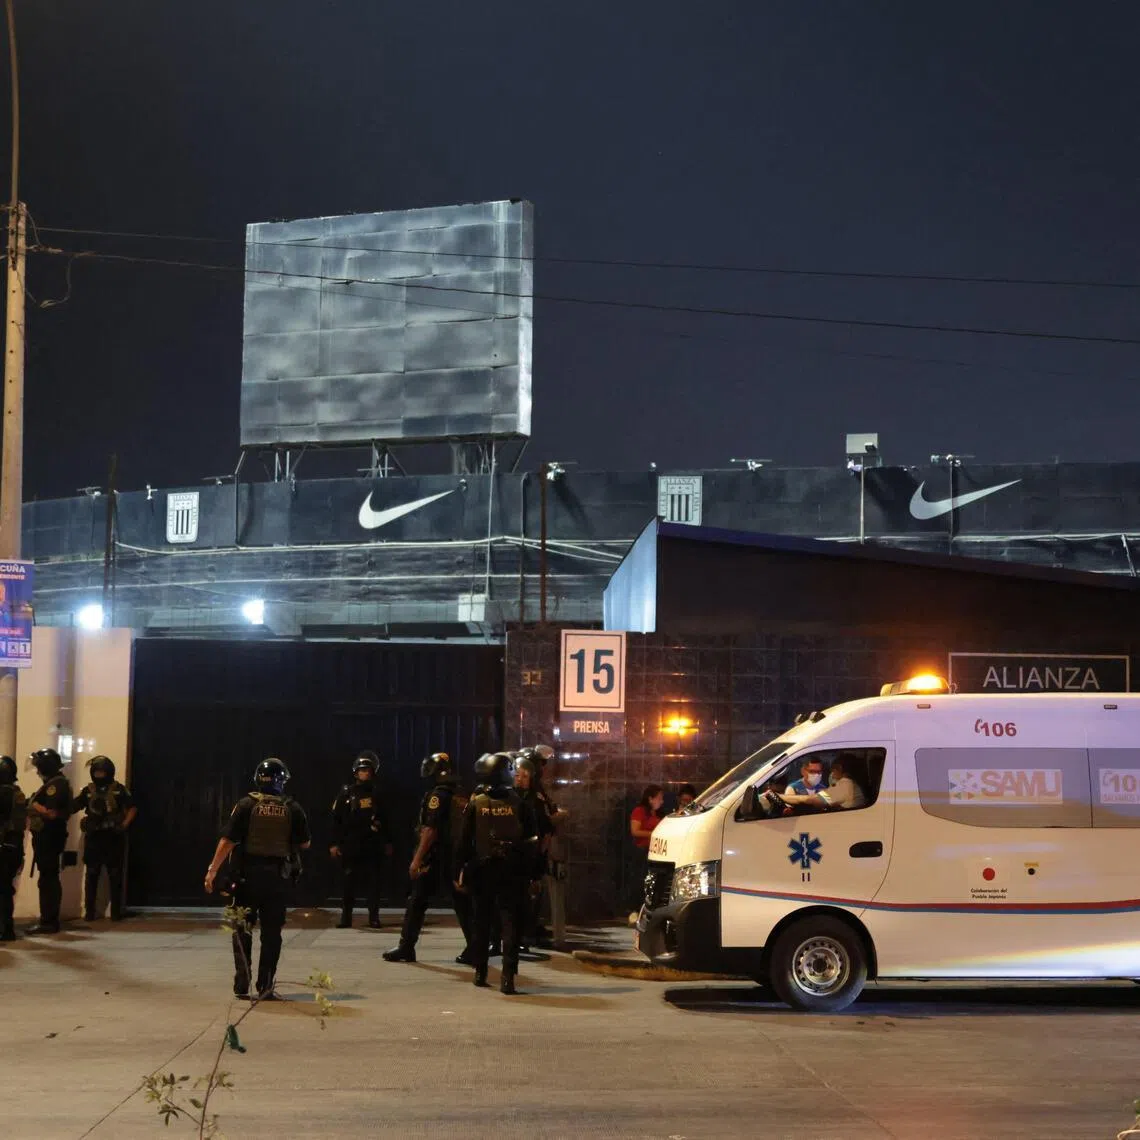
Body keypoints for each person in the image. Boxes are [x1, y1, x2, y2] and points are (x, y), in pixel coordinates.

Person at [204, 758, 310, 1000]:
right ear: (281, 781)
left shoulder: (245, 805)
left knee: (242, 928)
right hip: (277, 880)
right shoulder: (293, 808)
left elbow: (228, 841)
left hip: (246, 878)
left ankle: (242, 981)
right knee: (272, 933)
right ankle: (266, 985)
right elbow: (305, 842)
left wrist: (212, 870)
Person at [457, 751, 538, 995]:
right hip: (513, 872)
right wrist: (532, 875)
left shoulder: (477, 803)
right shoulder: (521, 804)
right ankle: (507, 978)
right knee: (511, 924)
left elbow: (464, 842)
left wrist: (459, 871)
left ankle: (480, 972)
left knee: (481, 922)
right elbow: (532, 841)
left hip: (482, 871)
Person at [383, 751, 474, 964]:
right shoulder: (461, 793)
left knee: (417, 902)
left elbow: (430, 830)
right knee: (462, 903)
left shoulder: (437, 795)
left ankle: (406, 947)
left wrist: (417, 859)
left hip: (435, 857)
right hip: (456, 857)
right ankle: (475, 948)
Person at [330, 750, 392, 929]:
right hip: (351, 844)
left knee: (374, 884)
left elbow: (386, 819)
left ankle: (374, 917)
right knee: (348, 882)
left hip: (372, 844)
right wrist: (334, 843)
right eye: (363, 770)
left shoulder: (378, 793)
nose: (366, 773)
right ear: (356, 772)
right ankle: (346, 918)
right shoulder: (346, 793)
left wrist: (387, 842)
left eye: (369, 770)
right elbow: (336, 820)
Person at [70, 755, 137, 922]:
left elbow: (132, 807)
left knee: (115, 876)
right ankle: (90, 912)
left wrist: (124, 825)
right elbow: (74, 806)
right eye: (96, 772)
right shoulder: (88, 791)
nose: (99, 775)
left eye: (102, 772)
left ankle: (115, 912)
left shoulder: (119, 789)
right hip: (94, 838)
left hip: (113, 837)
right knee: (92, 874)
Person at [26, 747, 71, 935]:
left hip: (50, 837)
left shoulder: (56, 785)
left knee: (48, 880)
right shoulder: (53, 783)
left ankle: (49, 922)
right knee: (47, 879)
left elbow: (51, 813)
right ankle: (48, 919)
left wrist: (33, 804)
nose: (36, 770)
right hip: (46, 838)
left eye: (39, 766)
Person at [512, 751, 553, 953]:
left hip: (528, 857)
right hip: (507, 856)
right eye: (517, 775)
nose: (520, 780)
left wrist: (538, 860)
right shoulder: (505, 796)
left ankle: (523, 936)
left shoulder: (534, 800)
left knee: (526, 900)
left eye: (525, 776)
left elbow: (545, 832)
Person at [779, 753, 867, 812]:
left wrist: (779, 796)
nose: (832, 774)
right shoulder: (850, 785)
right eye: (813, 772)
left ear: (839, 768)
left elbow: (812, 800)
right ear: (803, 771)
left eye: (819, 772)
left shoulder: (846, 785)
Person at [0, 755, 27, 941]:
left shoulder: (3, 793)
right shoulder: (16, 792)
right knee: (5, 888)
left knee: (2, 889)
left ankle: (5, 929)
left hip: (3, 847)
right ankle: (6, 928)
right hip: (12, 847)